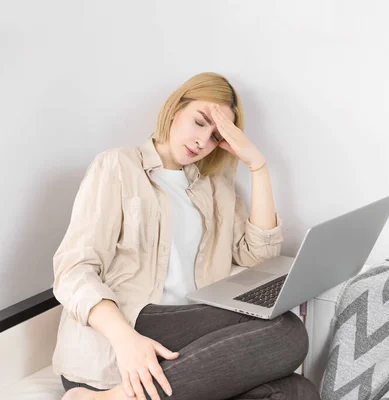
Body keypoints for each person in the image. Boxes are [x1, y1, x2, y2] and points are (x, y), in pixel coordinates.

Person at [53, 72, 321, 400]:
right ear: (175, 108)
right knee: (288, 332)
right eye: (199, 121)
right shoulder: (117, 167)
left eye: (215, 135)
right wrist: (125, 340)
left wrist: (257, 166)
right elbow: (73, 270)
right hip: (129, 327)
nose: (202, 141)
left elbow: (258, 259)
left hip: (192, 339)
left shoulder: (216, 188)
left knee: (298, 392)